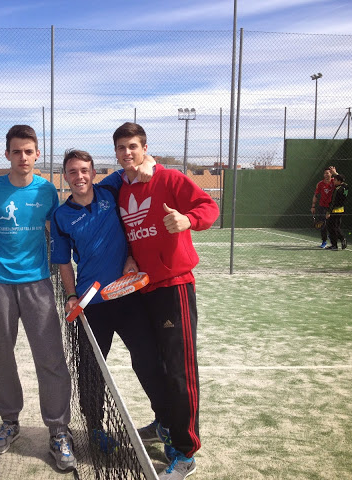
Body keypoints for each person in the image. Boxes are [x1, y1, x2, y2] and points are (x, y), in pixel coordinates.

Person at [113, 122, 219, 480]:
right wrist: (129, 255)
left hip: (174, 286)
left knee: (179, 370)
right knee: (146, 362)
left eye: (133, 147)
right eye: (121, 148)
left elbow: (208, 207)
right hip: (141, 289)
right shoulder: (121, 188)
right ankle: (165, 423)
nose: (127, 153)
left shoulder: (170, 179)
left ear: (144, 148)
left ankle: (186, 453)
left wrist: (187, 220)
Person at [50, 148, 169, 452]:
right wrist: (72, 296)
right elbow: (64, 262)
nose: (80, 176)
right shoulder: (62, 216)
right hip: (92, 306)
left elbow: (140, 162)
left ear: (93, 173)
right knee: (92, 369)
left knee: (147, 359)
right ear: (66, 176)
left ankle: (165, 421)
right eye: (73, 171)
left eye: (85, 170)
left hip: (127, 297)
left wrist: (152, 162)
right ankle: (95, 429)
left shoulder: (110, 190)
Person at [0, 125, 75, 472]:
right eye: (16, 151)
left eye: (29, 151)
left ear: (37, 154)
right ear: (7, 154)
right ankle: (9, 420)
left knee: (50, 358)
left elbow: (60, 234)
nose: (23, 157)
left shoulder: (47, 191)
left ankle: (58, 430)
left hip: (37, 284)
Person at [310, 166, 338, 248]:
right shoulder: (320, 184)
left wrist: (335, 173)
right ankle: (324, 241)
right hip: (322, 207)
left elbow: (342, 181)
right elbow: (316, 195)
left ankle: (332, 238)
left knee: (332, 225)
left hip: (332, 207)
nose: (326, 175)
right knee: (322, 224)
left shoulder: (334, 182)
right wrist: (313, 206)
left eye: (328, 173)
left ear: (331, 174)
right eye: (325, 173)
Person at [325, 174, 349, 250]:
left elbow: (333, 202)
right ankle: (335, 244)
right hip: (341, 210)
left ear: (339, 181)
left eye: (335, 180)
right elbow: (344, 182)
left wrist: (328, 212)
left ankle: (339, 241)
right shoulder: (346, 187)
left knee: (332, 227)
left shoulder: (337, 189)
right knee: (335, 227)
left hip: (334, 211)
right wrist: (336, 173)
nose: (334, 181)